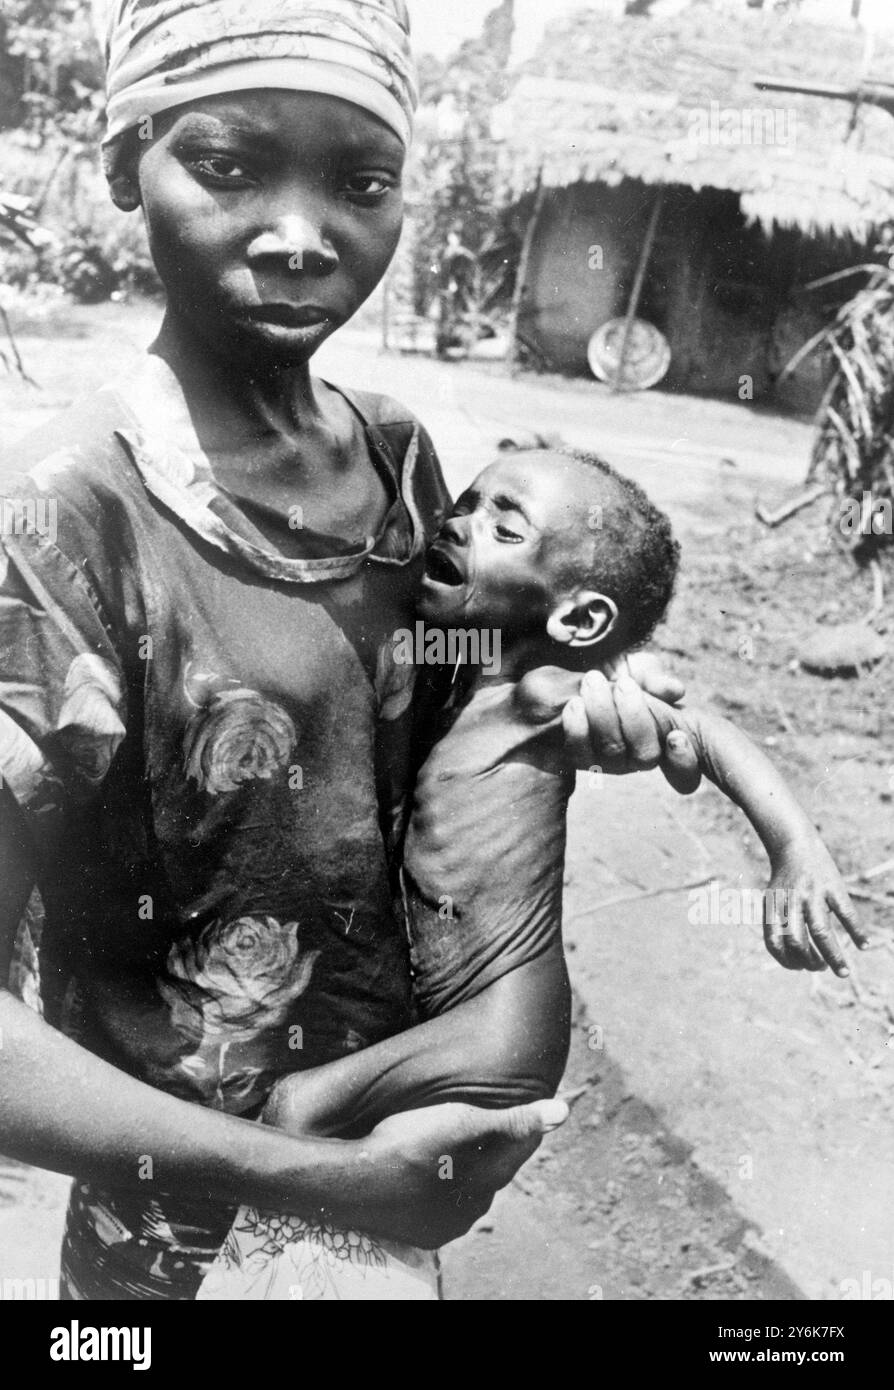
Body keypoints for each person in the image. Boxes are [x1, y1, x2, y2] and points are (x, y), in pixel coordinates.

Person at [0, 1, 699, 1300]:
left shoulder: (398, 463)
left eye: (362, 182)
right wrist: (307, 1175)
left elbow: (418, 733)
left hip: (387, 1171)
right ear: (118, 164)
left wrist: (567, 709)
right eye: (226, 166)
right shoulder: (61, 520)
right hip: (168, 1246)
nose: (302, 236)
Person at [197, 447, 867, 1299]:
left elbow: (705, 732)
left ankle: (258, 1279)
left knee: (300, 1113)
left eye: (503, 526)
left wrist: (795, 849)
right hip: (482, 1013)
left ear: (579, 621)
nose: (460, 522)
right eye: (468, 501)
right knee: (393, 1180)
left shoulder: (542, 690)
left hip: (498, 1022)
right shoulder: (468, 671)